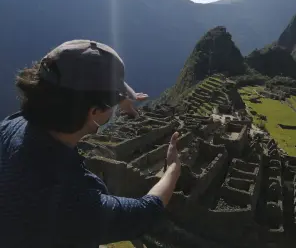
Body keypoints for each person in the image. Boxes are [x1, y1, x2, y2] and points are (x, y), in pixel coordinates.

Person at [0, 40, 181, 247]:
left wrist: (111, 98)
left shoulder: (11, 125)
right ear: (93, 112)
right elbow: (144, 213)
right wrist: (172, 170)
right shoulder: (72, 200)